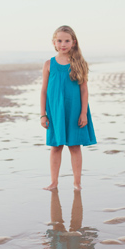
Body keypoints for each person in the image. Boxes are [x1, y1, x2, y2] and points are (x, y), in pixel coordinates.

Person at [40, 25, 96, 190]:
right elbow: (44, 90)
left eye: (67, 40)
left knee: (74, 146)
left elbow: (84, 90)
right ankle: (54, 182)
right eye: (59, 40)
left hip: (75, 111)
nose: (63, 44)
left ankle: (77, 183)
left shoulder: (79, 63)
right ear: (54, 42)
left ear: (73, 42)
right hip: (55, 111)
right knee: (55, 146)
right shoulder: (48, 64)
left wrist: (84, 113)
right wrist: (43, 114)